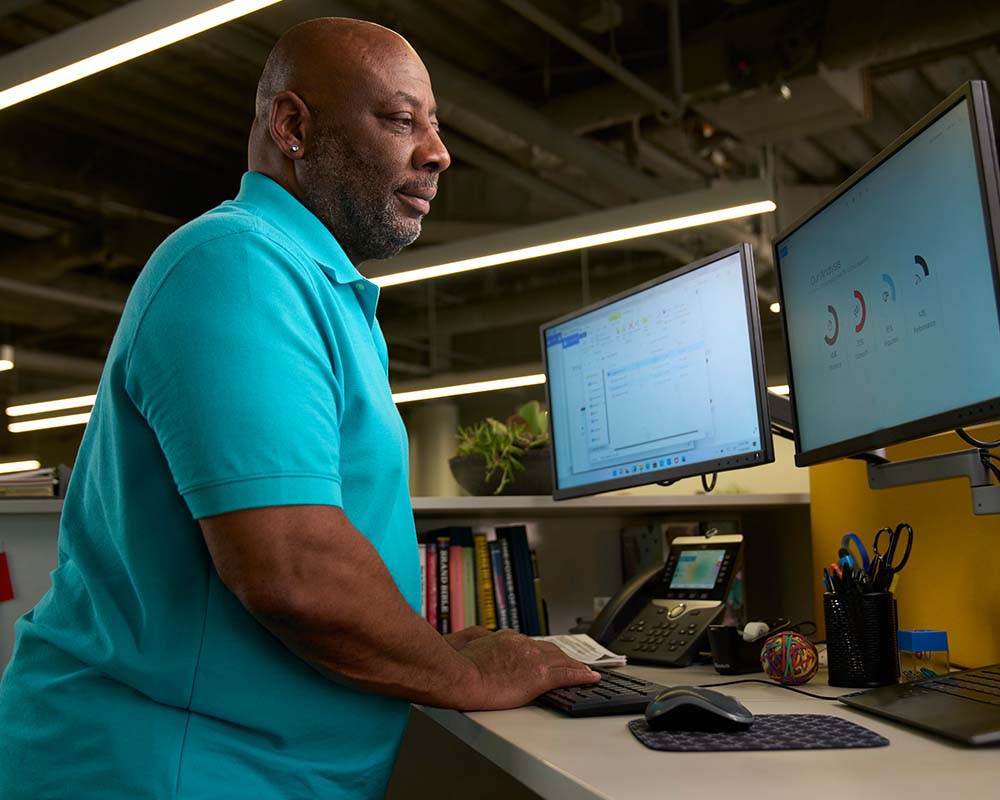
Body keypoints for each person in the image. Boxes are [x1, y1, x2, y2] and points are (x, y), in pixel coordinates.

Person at [0, 17, 599, 800]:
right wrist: (461, 673)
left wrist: (424, 646)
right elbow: (293, 569)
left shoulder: (319, 289)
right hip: (170, 768)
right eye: (399, 119)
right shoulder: (237, 262)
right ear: (292, 126)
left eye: (436, 125)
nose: (438, 151)